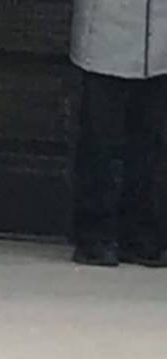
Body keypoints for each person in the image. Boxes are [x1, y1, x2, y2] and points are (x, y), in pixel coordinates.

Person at [70, 0, 167, 267]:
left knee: (152, 144)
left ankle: (142, 235)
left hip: (161, 38)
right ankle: (93, 237)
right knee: (100, 142)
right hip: (106, 33)